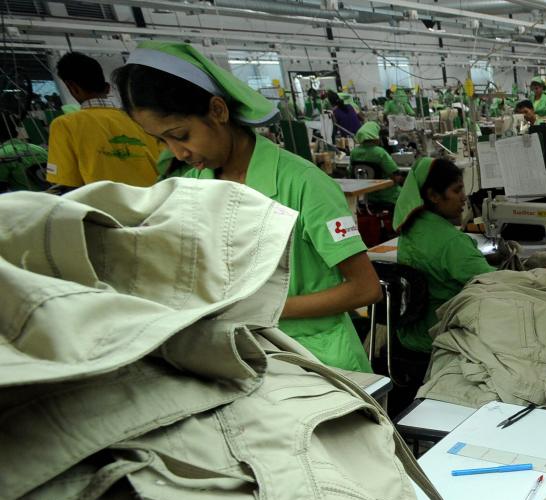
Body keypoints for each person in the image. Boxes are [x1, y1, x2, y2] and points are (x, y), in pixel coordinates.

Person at [113, 41, 381, 373]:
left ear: (217, 111)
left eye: (181, 135)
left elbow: (364, 289)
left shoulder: (304, 184)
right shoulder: (193, 188)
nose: (177, 152)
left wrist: (257, 308)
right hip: (236, 354)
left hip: (319, 360)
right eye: (163, 141)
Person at [393, 158, 493, 354]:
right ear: (433, 195)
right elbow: (497, 284)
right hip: (441, 336)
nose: (464, 198)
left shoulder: (410, 230)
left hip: (409, 335)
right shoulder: (452, 243)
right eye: (456, 190)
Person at [47, 52, 160, 188]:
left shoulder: (64, 125)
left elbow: (66, 182)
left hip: (104, 207)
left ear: (72, 87)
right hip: (157, 201)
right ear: (107, 88)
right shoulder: (140, 118)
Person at [349, 120, 402, 209]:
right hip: (389, 196)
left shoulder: (354, 153)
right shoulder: (379, 152)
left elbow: (352, 174)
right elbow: (396, 176)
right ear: (375, 136)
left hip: (368, 196)